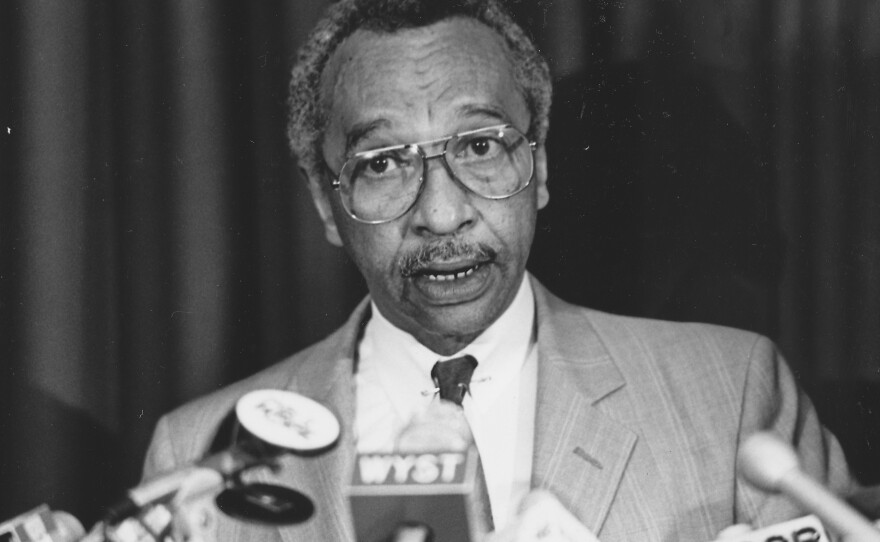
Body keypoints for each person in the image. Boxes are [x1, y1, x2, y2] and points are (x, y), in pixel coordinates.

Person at [142, 0, 855, 540]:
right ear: (326, 205)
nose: (442, 213)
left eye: (480, 146)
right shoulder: (199, 451)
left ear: (538, 168)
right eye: (383, 163)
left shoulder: (731, 396)